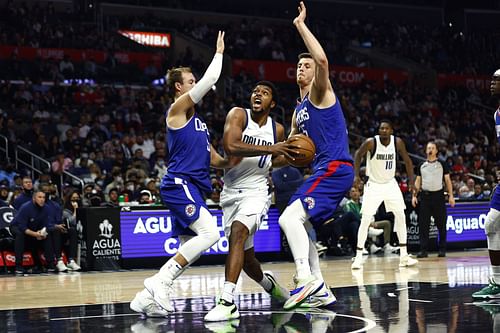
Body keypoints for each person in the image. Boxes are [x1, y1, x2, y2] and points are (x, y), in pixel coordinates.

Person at [130, 31, 232, 317]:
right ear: (179, 87)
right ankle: (159, 280)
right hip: (178, 183)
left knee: (193, 244)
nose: (196, 84)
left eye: (194, 81)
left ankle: (144, 298)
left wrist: (237, 160)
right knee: (211, 232)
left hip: (193, 187)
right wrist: (219, 53)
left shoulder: (198, 123)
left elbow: (215, 159)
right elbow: (212, 80)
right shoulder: (176, 110)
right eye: (190, 81)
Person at [278, 1, 354, 310]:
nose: (302, 68)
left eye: (305, 66)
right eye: (298, 65)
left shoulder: (320, 94)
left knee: (288, 217)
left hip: (335, 167)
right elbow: (293, 153)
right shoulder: (298, 112)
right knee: (304, 224)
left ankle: (306, 279)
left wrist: (300, 25)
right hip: (323, 169)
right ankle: (321, 288)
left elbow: (322, 59)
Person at [204, 81, 295, 321]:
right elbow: (231, 146)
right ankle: (270, 285)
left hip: (257, 191)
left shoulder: (276, 130)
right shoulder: (238, 115)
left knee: (238, 232)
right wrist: (271, 149)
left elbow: (274, 161)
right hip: (231, 191)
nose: (258, 94)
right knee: (247, 258)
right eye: (255, 91)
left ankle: (226, 301)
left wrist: (294, 157)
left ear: (271, 103)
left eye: (264, 93)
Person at [351, 120, 417, 269]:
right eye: (381, 128)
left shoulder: (397, 142)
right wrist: (356, 175)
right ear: (379, 130)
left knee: (400, 215)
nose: (384, 131)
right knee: (366, 219)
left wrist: (411, 181)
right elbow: (358, 154)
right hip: (373, 184)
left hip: (390, 183)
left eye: (387, 128)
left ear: (391, 131)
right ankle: (359, 256)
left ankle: (404, 256)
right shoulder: (371, 142)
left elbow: (407, 160)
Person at [472, 69, 500, 299]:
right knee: (491, 224)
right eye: (491, 79)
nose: (492, 83)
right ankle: (498, 283)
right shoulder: (497, 114)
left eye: (497, 80)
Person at [412, 141, 455, 258]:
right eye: (428, 148)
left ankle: (442, 249)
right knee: (423, 225)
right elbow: (417, 181)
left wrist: (451, 196)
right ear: (426, 151)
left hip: (439, 197)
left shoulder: (442, 164)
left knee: (441, 224)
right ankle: (423, 250)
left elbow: (447, 181)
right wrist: (414, 196)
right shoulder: (421, 165)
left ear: (436, 151)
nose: (430, 150)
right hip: (425, 197)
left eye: (432, 148)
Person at [10, 190, 54, 274]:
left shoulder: (46, 208)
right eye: (39, 197)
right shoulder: (26, 207)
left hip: (33, 228)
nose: (42, 200)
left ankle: (51, 264)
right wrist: (35, 234)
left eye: (44, 197)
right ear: (34, 198)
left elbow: (46, 225)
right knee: (20, 234)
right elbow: (22, 227)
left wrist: (43, 233)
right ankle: (18, 266)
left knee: (47, 236)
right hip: (16, 227)